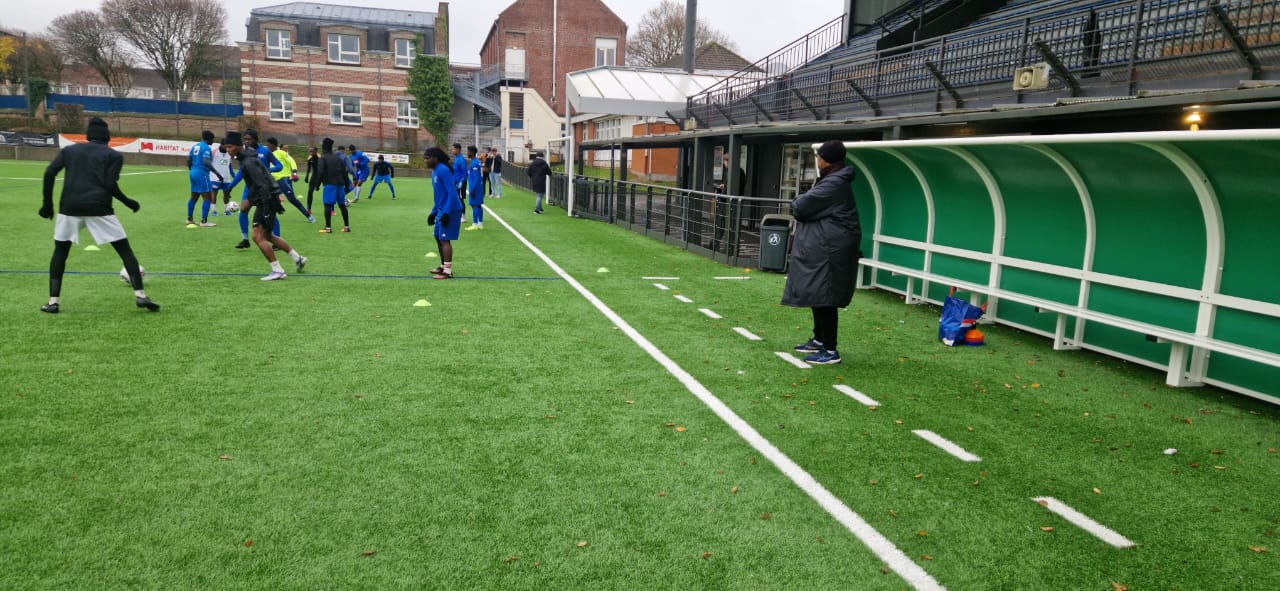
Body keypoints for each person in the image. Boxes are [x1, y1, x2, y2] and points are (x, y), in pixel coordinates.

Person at [39, 117, 159, 313]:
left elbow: (49, 173)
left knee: (60, 252)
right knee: (124, 250)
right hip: (99, 207)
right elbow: (110, 184)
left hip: (69, 207)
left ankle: (53, 302)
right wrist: (129, 202)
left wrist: (47, 204)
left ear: (88, 135)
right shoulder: (114, 156)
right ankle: (141, 296)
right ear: (108, 137)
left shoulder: (70, 151)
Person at [783, 140, 861, 365]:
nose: (816, 159)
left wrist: (800, 202)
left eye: (819, 156)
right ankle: (819, 340)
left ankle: (830, 349)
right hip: (826, 248)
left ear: (826, 158)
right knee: (818, 293)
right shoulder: (832, 179)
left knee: (826, 296)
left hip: (831, 251)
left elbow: (800, 206)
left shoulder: (834, 183)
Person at [223, 130, 308, 281]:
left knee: (257, 236)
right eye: (226, 147)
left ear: (238, 146)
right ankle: (298, 258)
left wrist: (265, 208)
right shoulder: (246, 158)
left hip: (266, 199)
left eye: (230, 147)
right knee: (268, 235)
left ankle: (278, 270)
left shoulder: (248, 161)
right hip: (267, 198)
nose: (228, 150)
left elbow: (261, 185)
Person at [226, 129, 282, 249]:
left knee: (270, 214)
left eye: (249, 139)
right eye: (245, 139)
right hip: (249, 188)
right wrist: (230, 186)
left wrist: (267, 171)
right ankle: (245, 239)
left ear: (256, 139)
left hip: (263, 187)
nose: (247, 141)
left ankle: (276, 240)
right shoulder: (244, 153)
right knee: (243, 211)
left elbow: (279, 166)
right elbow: (241, 173)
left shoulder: (265, 151)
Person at [424, 146, 463, 279]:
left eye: (427, 158)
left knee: (444, 239)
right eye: (424, 158)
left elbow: (452, 194)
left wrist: (446, 213)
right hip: (442, 209)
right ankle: (442, 265)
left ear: (436, 158)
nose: (425, 160)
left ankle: (447, 271)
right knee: (437, 236)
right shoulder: (435, 171)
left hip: (451, 209)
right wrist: (433, 212)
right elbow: (440, 195)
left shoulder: (443, 170)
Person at [309, 138, 352, 234]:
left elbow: (320, 172)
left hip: (329, 184)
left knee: (328, 205)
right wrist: (346, 184)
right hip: (340, 184)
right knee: (342, 205)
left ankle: (328, 228)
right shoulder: (338, 158)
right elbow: (344, 172)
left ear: (323, 148)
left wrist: (317, 185)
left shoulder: (323, 158)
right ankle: (346, 227)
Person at [266, 138, 314, 222]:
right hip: (272, 180)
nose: (267, 146)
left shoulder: (281, 153)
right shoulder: (267, 154)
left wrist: (294, 172)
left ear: (273, 145)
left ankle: (308, 215)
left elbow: (292, 162)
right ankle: (269, 217)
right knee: (267, 198)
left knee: (292, 199)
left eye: (268, 144)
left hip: (283, 179)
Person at [186, 130, 223, 227]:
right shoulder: (206, 148)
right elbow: (206, 161)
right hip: (202, 173)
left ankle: (189, 219)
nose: (213, 142)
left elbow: (188, 160)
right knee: (208, 197)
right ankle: (204, 221)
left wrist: (192, 169)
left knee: (194, 197)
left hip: (193, 172)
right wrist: (217, 173)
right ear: (209, 139)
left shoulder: (195, 146)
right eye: (212, 140)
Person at [210, 141, 237, 213]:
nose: (227, 148)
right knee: (214, 194)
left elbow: (230, 165)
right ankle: (214, 210)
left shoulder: (229, 153)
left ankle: (227, 210)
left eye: (228, 146)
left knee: (227, 193)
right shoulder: (214, 152)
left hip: (226, 177)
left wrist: (234, 175)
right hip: (215, 177)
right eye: (226, 146)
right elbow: (208, 163)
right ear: (221, 145)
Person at [464, 146, 485, 230]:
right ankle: (480, 223)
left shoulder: (475, 163)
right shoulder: (476, 162)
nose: (467, 153)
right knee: (478, 205)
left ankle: (475, 224)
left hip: (475, 187)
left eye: (468, 151)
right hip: (478, 187)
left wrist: (472, 189)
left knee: (475, 205)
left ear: (472, 152)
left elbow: (476, 178)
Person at [450, 143, 468, 215]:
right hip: (455, 182)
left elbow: (465, 172)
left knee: (460, 199)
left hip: (460, 183)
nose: (452, 150)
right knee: (456, 199)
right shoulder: (456, 158)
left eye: (453, 149)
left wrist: (461, 182)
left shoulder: (461, 159)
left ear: (458, 149)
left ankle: (463, 216)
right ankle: (458, 214)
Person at [303, 146, 319, 213]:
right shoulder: (309, 159)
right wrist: (306, 176)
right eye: (310, 151)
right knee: (310, 191)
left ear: (316, 151)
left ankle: (332, 210)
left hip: (322, 176)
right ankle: (309, 209)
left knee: (328, 191)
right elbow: (309, 168)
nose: (310, 152)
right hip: (314, 176)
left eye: (312, 151)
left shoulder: (320, 158)